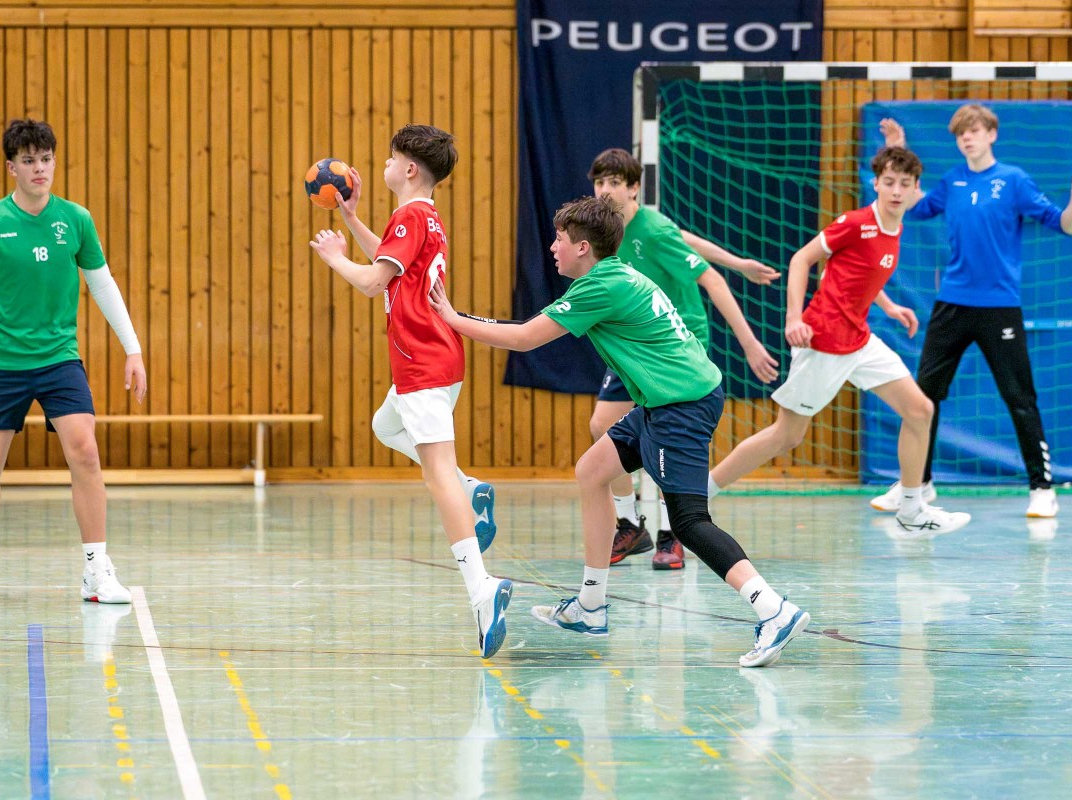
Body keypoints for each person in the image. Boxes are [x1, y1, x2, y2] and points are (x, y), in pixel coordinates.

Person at [430, 195, 810, 668]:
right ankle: (590, 606)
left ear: (583, 247)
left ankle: (774, 610)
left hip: (681, 406)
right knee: (592, 471)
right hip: (666, 400)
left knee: (689, 522)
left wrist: (453, 319)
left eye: (560, 240)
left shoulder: (600, 287)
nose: (552, 248)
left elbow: (526, 337)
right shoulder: (614, 274)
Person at [0, 118, 147, 603]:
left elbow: (102, 284)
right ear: (12, 168)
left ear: (54, 162)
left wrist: (133, 348)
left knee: (85, 451)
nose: (39, 168)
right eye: (28, 161)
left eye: (46, 159)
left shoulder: (75, 220)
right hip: (0, 363)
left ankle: (96, 570)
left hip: (59, 359)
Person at [310, 124, 511, 659]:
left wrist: (333, 257)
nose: (383, 165)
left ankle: (481, 589)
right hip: (434, 359)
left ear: (410, 169)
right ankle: (471, 488)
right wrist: (351, 219)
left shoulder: (410, 217)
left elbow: (374, 281)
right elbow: (390, 263)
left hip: (423, 362)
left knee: (436, 474)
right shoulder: (424, 216)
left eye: (389, 157)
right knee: (385, 426)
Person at [706, 147, 971, 537]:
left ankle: (912, 509)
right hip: (824, 340)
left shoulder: (896, 225)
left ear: (916, 188)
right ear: (876, 184)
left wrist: (889, 305)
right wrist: (794, 317)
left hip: (859, 339)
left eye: (905, 184)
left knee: (919, 410)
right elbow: (802, 259)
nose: (896, 191)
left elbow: (857, 272)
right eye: (889, 183)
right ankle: (699, 493)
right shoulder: (856, 222)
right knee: (786, 436)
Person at [876, 107, 1072, 518]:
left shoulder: (1013, 180)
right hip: (951, 305)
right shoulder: (953, 182)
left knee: (1020, 398)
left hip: (999, 308)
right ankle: (918, 484)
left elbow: (1065, 225)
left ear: (992, 134)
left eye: (974, 131)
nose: (967, 138)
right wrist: (899, 151)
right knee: (923, 397)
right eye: (961, 133)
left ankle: (1042, 489)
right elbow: (912, 203)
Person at [587, 148, 781, 571]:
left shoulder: (652, 229)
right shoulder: (609, 229)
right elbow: (686, 238)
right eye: (599, 182)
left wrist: (749, 343)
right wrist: (737, 261)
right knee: (602, 424)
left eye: (614, 183)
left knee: (666, 433)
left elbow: (710, 279)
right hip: (639, 338)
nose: (605, 190)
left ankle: (671, 533)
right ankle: (630, 523)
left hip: (678, 340)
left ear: (634, 189)